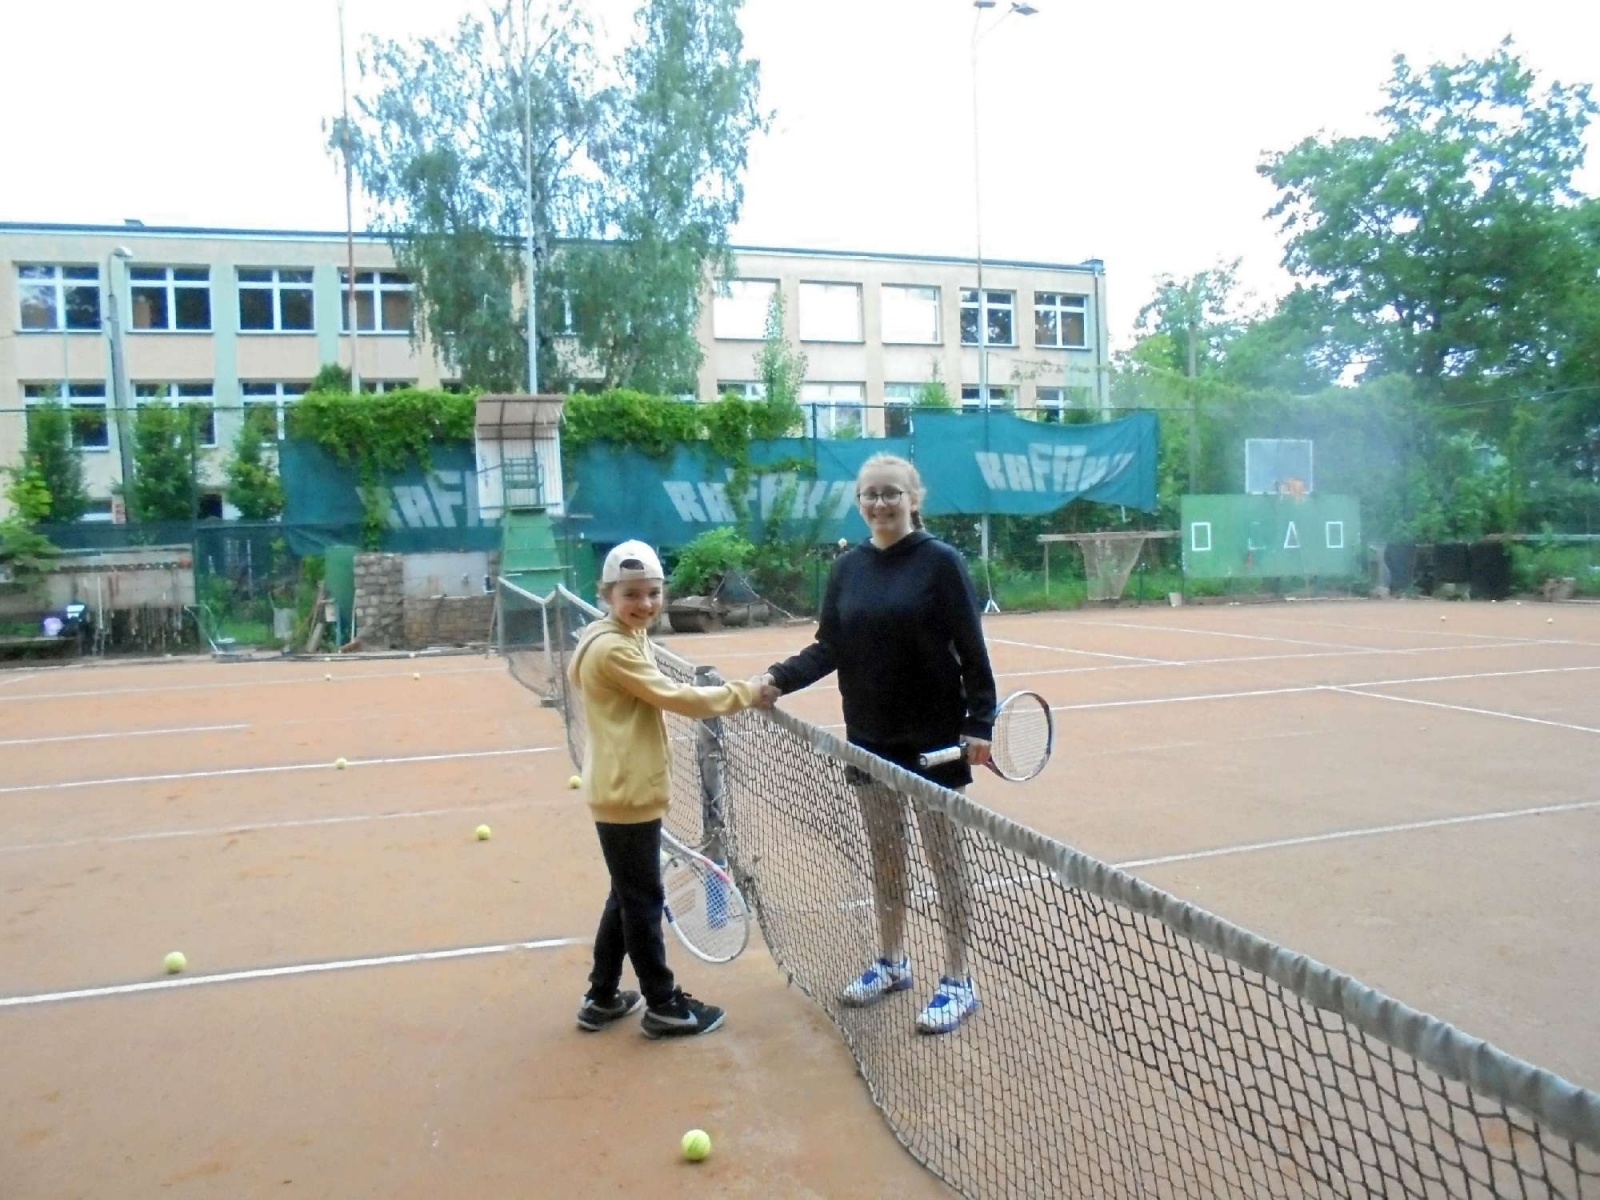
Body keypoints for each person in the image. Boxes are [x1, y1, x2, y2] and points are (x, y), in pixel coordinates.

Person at [757, 454, 998, 1034]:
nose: (881, 503)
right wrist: (778, 679)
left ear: (914, 498)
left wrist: (980, 724)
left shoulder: (941, 563)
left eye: (892, 492)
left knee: (945, 861)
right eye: (870, 494)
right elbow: (829, 647)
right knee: (886, 856)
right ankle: (892, 962)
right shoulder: (847, 568)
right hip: (868, 737)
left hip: (934, 740)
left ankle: (958, 979)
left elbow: (973, 650)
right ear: (859, 502)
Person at [569, 539, 763, 1039]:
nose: (645, 604)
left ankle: (602, 996)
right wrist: (748, 692)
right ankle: (664, 1005)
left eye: (653, 593)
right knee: (642, 901)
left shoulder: (618, 635)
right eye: (631, 594)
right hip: (626, 792)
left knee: (626, 894)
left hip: (622, 786)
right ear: (607, 595)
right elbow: (679, 698)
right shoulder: (613, 647)